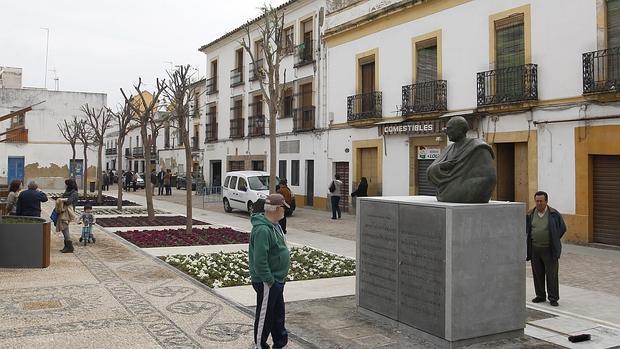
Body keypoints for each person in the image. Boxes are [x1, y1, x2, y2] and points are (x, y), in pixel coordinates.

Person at [249, 194, 290, 349]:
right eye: (283, 207)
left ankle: (280, 343)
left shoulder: (275, 226)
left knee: (278, 313)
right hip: (267, 281)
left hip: (277, 279)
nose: (285, 210)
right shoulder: (262, 230)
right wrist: (269, 280)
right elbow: (260, 260)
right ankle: (260, 344)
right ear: (276, 209)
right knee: (265, 315)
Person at [426, 116, 496, 203]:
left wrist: (463, 189)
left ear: (459, 129)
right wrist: (440, 166)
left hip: (466, 192)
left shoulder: (478, 148)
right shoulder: (448, 149)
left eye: (449, 129)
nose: (446, 132)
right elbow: (430, 169)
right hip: (447, 192)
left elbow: (489, 177)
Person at [526, 191, 566, 307]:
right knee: (537, 273)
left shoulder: (553, 214)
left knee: (551, 274)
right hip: (535, 249)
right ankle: (540, 295)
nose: (539, 203)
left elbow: (562, 228)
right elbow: (527, 229)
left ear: (546, 201)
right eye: (537, 201)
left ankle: (553, 298)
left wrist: (554, 238)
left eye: (541, 201)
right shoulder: (530, 214)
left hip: (549, 249)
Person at [58, 178, 79, 253]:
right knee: (64, 228)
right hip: (63, 211)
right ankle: (67, 245)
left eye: (66, 184)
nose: (65, 186)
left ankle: (69, 246)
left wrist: (62, 200)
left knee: (65, 227)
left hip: (68, 212)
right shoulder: (68, 192)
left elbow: (69, 201)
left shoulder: (74, 193)